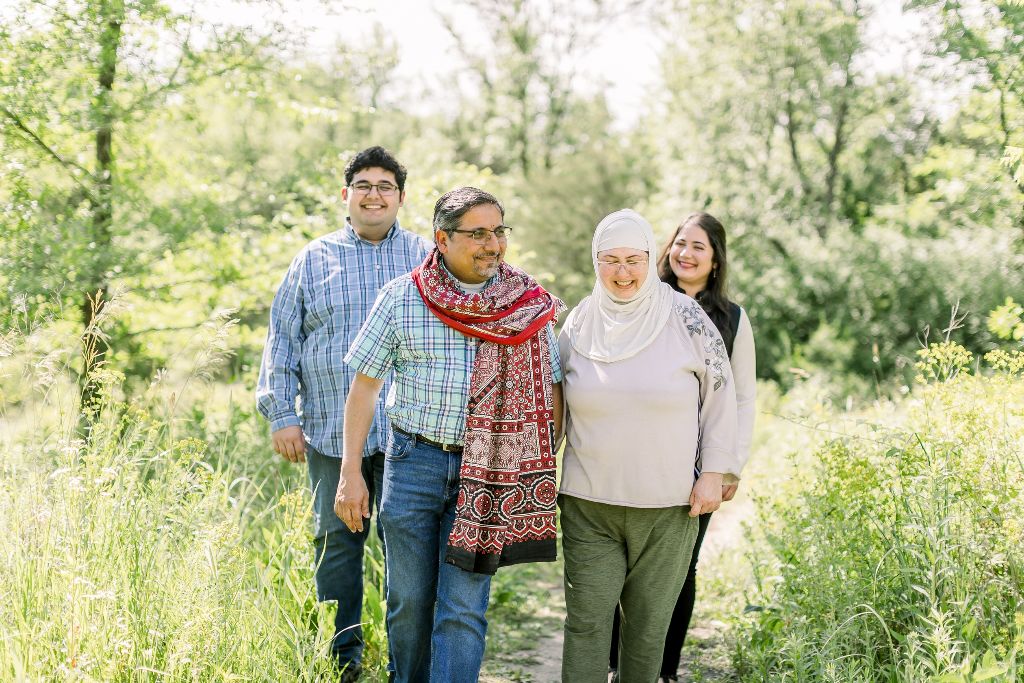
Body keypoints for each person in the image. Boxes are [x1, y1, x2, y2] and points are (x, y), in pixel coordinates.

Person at [336, 186, 565, 683]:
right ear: (442, 238)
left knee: (463, 606)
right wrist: (350, 472)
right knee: (408, 602)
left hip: (488, 474)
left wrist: (534, 462)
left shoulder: (526, 304)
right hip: (412, 462)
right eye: (478, 233)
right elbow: (364, 387)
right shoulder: (402, 296)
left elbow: (552, 389)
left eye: (499, 231)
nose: (494, 244)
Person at [255, 146, 430, 680]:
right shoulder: (314, 258)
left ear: (400, 197)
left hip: (410, 437)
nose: (374, 194)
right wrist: (281, 413)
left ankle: (408, 666)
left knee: (408, 560)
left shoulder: (427, 258)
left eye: (385, 186)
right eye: (364, 185)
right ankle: (341, 664)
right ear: (346, 195)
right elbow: (282, 339)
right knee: (335, 553)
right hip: (331, 432)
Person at [558, 209, 739, 683]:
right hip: (588, 503)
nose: (622, 273)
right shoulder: (578, 322)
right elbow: (553, 406)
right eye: (610, 260)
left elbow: (722, 397)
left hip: (668, 507)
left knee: (646, 632)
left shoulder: (688, 318)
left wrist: (715, 473)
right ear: (595, 261)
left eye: (633, 260)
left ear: (647, 257)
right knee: (586, 626)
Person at [607, 211, 757, 681]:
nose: (686, 254)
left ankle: (664, 670)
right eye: (680, 244)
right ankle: (617, 665)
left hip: (695, 465)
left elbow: (744, 397)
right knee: (623, 568)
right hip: (633, 454)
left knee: (680, 570)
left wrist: (727, 466)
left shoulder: (731, 319)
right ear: (666, 251)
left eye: (699, 247)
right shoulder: (641, 300)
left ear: (715, 261)